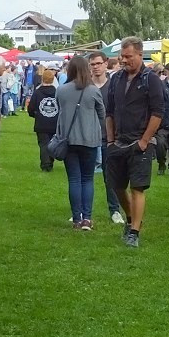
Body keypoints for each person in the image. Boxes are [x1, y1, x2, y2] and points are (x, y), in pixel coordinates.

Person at [104, 37, 165, 248]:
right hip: (118, 142)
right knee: (117, 186)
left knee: (137, 188)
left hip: (141, 142)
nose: (124, 60)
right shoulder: (116, 79)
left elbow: (158, 112)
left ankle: (134, 232)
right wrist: (110, 140)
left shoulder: (151, 80)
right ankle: (131, 219)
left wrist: (145, 140)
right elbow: (109, 112)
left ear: (140, 54)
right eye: (122, 56)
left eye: (129, 57)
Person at [55, 56, 106, 230]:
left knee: (74, 180)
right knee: (87, 179)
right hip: (89, 140)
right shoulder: (93, 91)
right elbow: (102, 114)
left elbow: (60, 112)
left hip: (68, 141)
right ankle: (87, 218)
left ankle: (77, 218)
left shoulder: (61, 90)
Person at [88, 51, 125, 225]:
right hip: (87, 137)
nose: (95, 67)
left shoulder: (113, 86)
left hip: (108, 137)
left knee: (110, 176)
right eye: (92, 64)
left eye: (98, 63)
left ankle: (115, 210)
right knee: (85, 176)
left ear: (105, 64)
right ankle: (84, 212)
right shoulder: (86, 86)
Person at [28, 66, 59, 171]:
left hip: (41, 122)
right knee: (52, 143)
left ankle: (45, 164)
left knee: (43, 144)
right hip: (54, 122)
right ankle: (50, 161)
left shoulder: (37, 92)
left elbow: (31, 107)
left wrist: (35, 115)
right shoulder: (57, 92)